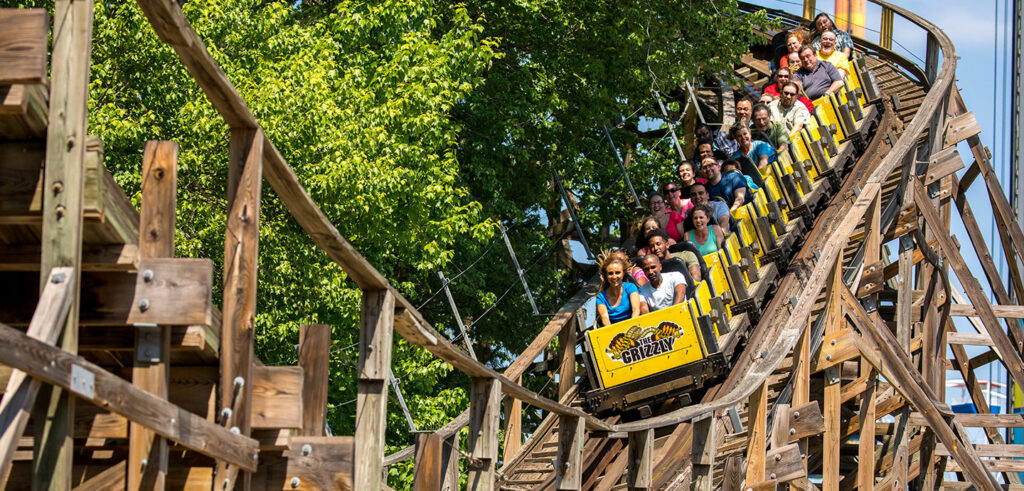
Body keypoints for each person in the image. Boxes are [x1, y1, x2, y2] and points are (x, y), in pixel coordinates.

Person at [594, 253, 641, 327]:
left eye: (617, 273)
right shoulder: (601, 297)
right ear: (606, 276)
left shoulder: (630, 287)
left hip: (633, 325)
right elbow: (605, 320)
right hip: (613, 330)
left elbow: (636, 311)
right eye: (610, 273)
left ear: (623, 273)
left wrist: (631, 329)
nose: (614, 276)